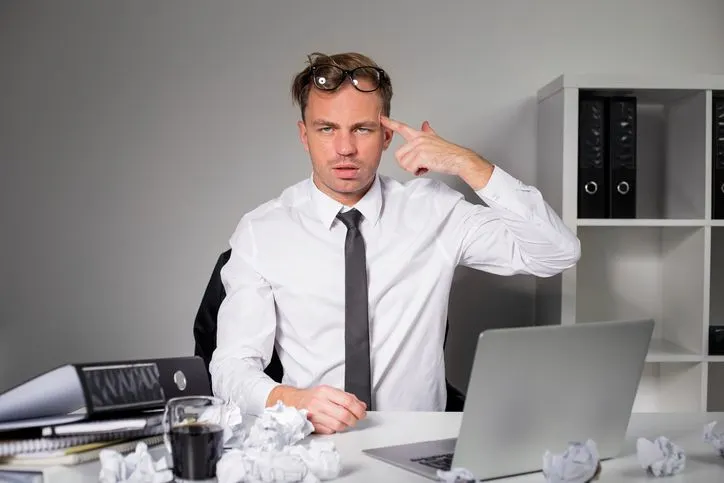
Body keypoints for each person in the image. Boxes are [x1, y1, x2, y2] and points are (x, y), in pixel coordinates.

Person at [209, 51, 580, 435]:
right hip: (313, 444)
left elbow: (557, 252)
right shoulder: (263, 230)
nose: (345, 148)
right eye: (326, 129)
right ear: (305, 135)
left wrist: (468, 163)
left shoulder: (434, 211)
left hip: (419, 444)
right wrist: (291, 399)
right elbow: (230, 367)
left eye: (362, 129)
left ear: (387, 136)